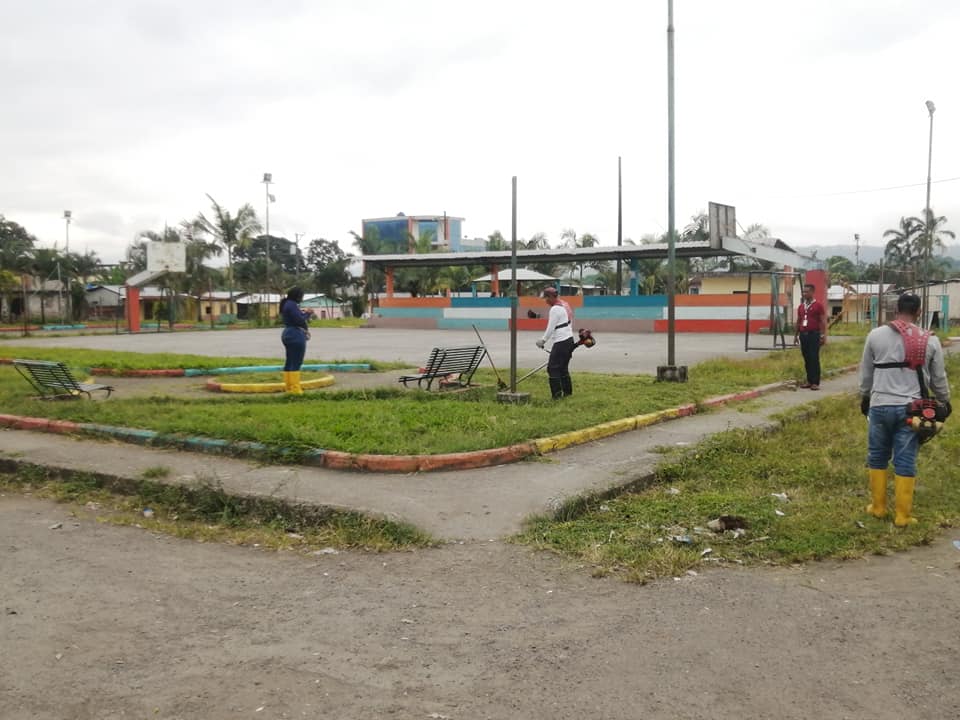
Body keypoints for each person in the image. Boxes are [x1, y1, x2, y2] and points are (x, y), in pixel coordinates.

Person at [859, 293, 951, 526]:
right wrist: (944, 401)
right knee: (905, 457)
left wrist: (865, 396)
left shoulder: (875, 335)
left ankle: (878, 508)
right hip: (911, 410)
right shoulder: (929, 340)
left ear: (896, 310)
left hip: (879, 405)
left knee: (877, 455)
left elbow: (866, 372)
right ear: (919, 312)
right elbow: (938, 379)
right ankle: (903, 516)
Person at [535, 287, 575, 398]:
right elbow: (569, 322)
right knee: (563, 368)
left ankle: (556, 396)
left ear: (551, 297)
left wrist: (543, 340)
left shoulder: (555, 309)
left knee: (552, 368)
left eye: (546, 298)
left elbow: (551, 327)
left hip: (561, 341)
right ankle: (567, 393)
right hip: (569, 339)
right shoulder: (565, 304)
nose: (546, 301)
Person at [279, 287, 314, 395]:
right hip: (295, 334)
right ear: (297, 296)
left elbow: (296, 317)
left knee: (290, 361)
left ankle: (289, 387)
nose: (302, 298)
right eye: (301, 296)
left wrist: (304, 313)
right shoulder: (292, 304)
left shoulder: (287, 304)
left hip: (287, 333)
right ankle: (295, 390)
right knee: (296, 362)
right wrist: (308, 313)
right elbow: (299, 319)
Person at [793, 283, 827, 390]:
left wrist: (822, 335)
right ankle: (809, 380)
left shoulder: (818, 305)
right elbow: (799, 321)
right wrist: (796, 335)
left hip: (814, 335)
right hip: (804, 335)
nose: (804, 293)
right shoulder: (801, 306)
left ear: (812, 292)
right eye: (803, 292)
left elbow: (822, 321)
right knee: (807, 358)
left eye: (806, 292)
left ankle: (815, 382)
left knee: (814, 358)